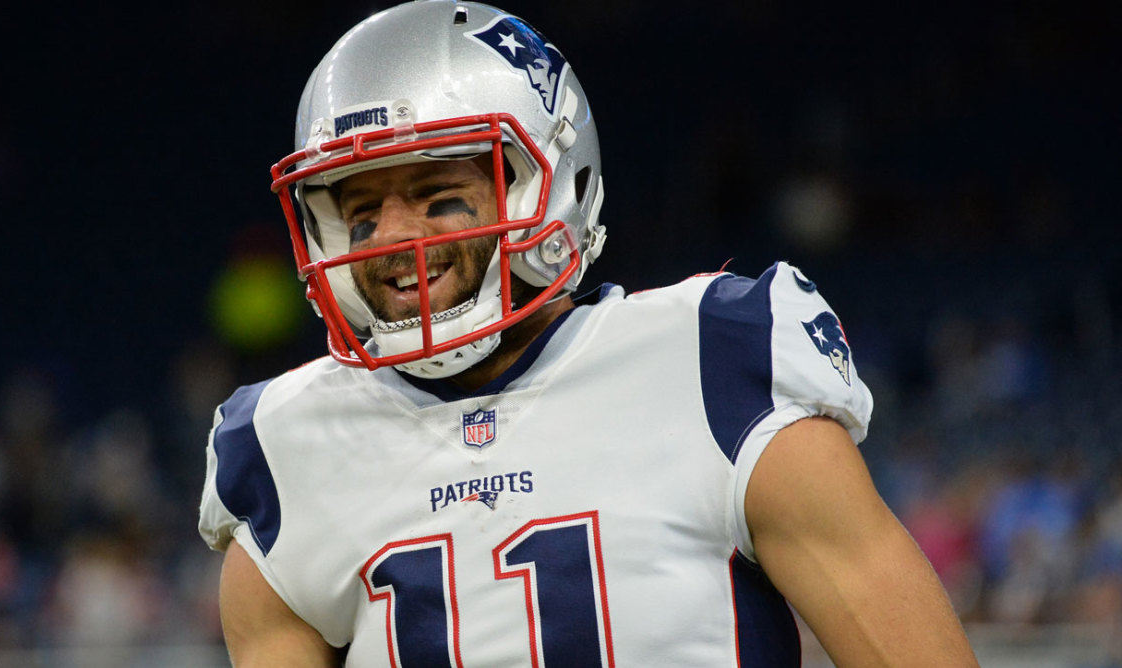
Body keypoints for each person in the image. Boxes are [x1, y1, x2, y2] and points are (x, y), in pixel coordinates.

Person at [198, 1, 979, 665]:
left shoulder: (713, 358)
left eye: (438, 195)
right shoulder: (282, 447)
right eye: (361, 214)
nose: (393, 240)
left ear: (554, 180)